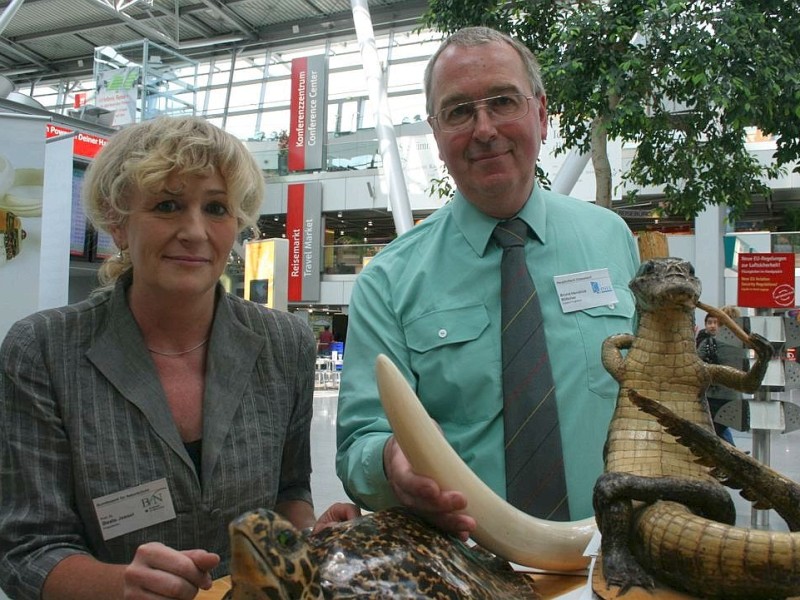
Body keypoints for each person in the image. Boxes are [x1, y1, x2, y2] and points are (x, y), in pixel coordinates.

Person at [0, 116, 358, 600]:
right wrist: (121, 585)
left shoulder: (283, 343)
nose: (195, 231)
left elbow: (288, 491)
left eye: (216, 208)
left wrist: (311, 541)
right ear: (117, 222)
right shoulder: (43, 350)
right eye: (168, 205)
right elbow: (27, 550)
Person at [336, 26, 640, 539]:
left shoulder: (611, 239)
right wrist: (392, 462)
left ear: (542, 115)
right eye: (458, 111)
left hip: (612, 558)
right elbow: (358, 445)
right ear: (436, 135)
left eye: (503, 102)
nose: (483, 129)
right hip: (463, 568)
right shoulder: (387, 282)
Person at [697, 305, 744, 445]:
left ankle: (732, 459)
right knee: (720, 431)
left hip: (713, 396)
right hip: (734, 397)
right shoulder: (743, 344)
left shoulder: (710, 342)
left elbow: (696, 365)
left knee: (710, 433)